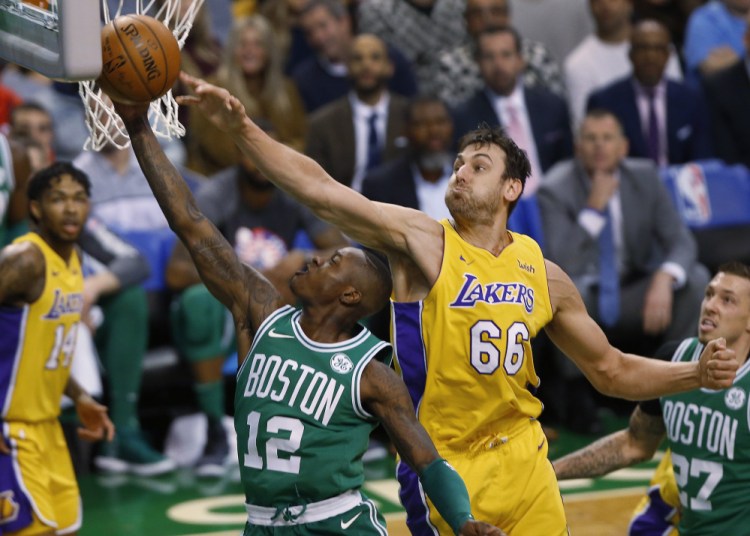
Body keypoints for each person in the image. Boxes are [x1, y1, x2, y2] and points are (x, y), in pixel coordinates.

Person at [173, 72, 738, 535]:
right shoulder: (424, 243)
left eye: (478, 165)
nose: (460, 171)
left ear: (512, 187)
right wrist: (244, 128)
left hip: (525, 457)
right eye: (458, 164)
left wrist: (694, 373)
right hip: (445, 468)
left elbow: (611, 370)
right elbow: (322, 189)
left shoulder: (544, 273)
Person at [112, 98, 504, 536]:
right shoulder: (260, 311)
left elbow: (427, 461)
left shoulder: (372, 373)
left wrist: (463, 521)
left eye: (333, 261)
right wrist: (138, 128)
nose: (316, 261)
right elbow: (190, 221)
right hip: (261, 524)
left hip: (336, 524)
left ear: (351, 294)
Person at [537, 109, 711, 432]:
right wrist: (593, 209)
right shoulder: (555, 187)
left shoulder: (644, 176)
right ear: (578, 147)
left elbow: (681, 241)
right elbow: (559, 262)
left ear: (624, 146)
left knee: (695, 279)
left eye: (607, 138)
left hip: (634, 290)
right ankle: (579, 402)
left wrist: (664, 277)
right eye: (590, 138)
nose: (599, 146)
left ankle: (674, 387)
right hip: (582, 292)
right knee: (559, 293)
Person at [553, 261, 750, 535]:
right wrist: (552, 471)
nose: (711, 305)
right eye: (709, 294)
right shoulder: (674, 358)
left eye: (728, 300)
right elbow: (634, 444)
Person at [0, 162, 115, 535]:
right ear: (36, 208)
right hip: (10, 430)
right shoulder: (25, 260)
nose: (70, 208)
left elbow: (43, 349)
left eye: (79, 199)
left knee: (64, 527)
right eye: (58, 199)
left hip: (47, 426)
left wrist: (80, 397)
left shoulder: (74, 260)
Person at [586, 19, 713, 166]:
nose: (650, 56)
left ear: (668, 55)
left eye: (658, 49)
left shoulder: (692, 99)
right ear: (630, 54)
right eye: (643, 48)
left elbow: (702, 158)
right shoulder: (605, 101)